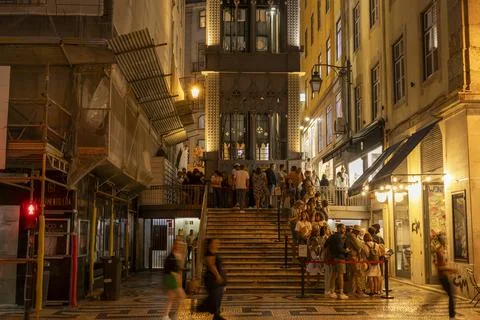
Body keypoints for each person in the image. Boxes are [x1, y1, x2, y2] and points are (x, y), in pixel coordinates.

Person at [196, 238, 227, 320]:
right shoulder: (209, 253)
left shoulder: (214, 252)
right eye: (216, 242)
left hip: (215, 278)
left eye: (218, 242)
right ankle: (215, 314)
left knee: (216, 295)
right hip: (211, 278)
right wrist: (218, 276)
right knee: (216, 295)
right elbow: (212, 265)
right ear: (210, 244)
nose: (218, 244)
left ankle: (204, 307)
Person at [433, 232, 458, 320]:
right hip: (442, 277)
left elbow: (443, 263)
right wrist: (450, 269)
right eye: (444, 238)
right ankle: (452, 316)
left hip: (445, 276)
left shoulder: (443, 249)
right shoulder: (438, 250)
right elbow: (439, 267)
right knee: (451, 294)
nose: (445, 239)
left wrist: (448, 269)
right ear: (441, 240)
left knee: (450, 294)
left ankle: (452, 315)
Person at [162, 239, 186, 320]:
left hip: (173, 277)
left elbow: (180, 267)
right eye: (178, 244)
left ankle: (166, 316)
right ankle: (176, 315)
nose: (179, 246)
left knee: (171, 298)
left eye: (181, 245)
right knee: (182, 296)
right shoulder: (171, 256)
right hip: (171, 278)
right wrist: (176, 277)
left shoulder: (178, 254)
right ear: (175, 245)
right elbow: (169, 268)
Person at [328, 223, 349, 299]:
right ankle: (341, 292)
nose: (344, 230)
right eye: (343, 228)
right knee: (340, 275)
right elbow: (340, 249)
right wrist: (346, 251)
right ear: (339, 228)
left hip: (333, 258)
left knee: (333, 275)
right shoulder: (339, 237)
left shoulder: (332, 236)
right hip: (340, 258)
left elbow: (326, 245)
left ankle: (332, 291)